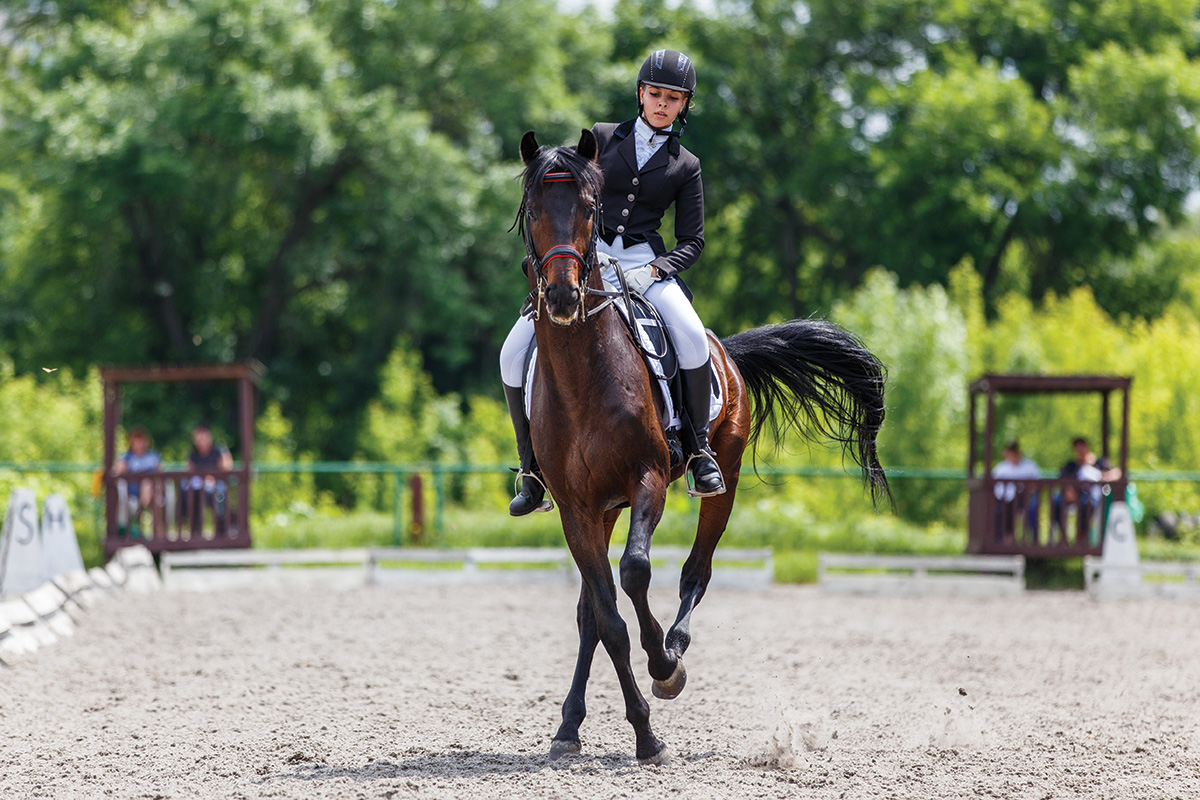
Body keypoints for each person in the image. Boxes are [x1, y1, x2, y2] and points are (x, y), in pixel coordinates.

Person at [499, 48, 723, 515]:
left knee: (692, 339)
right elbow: (565, 194)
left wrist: (656, 271)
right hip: (589, 258)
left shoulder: (688, 165)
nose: (662, 104)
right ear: (640, 94)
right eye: (655, 94)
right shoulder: (600, 137)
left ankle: (700, 451)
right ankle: (531, 468)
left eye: (673, 98)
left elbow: (693, 241)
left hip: (647, 264)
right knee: (512, 351)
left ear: (684, 106)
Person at [1051, 437, 1121, 542]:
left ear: (1087, 448)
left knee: (1086, 505)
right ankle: (1063, 537)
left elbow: (1117, 472)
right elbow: (1063, 479)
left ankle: (1082, 538)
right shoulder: (1071, 466)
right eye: (1077, 449)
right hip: (1072, 496)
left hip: (1090, 496)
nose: (1080, 451)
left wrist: (1103, 476)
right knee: (1057, 502)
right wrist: (1069, 492)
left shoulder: (1099, 463)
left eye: (1082, 448)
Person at [111, 426, 162, 536]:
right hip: (132, 492)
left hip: (152, 491)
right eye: (137, 441)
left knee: (147, 483)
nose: (140, 444)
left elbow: (160, 474)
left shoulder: (153, 457)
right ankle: (134, 524)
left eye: (142, 441)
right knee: (144, 484)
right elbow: (116, 471)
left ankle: (156, 531)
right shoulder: (127, 457)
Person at [186, 423, 233, 533]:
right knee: (188, 491)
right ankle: (194, 529)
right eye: (198, 437)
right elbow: (189, 472)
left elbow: (227, 467)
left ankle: (222, 530)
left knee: (219, 493)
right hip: (199, 486)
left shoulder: (219, 451)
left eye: (203, 437)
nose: (200, 440)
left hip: (217, 485)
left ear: (209, 437)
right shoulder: (193, 454)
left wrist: (212, 478)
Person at [991, 440, 1041, 541]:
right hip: (1004, 498)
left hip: (1024, 498)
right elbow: (995, 486)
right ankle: (1000, 540)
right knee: (999, 510)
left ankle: (1032, 540)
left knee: (1026, 507)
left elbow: (1037, 483)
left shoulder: (1030, 466)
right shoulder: (1001, 468)